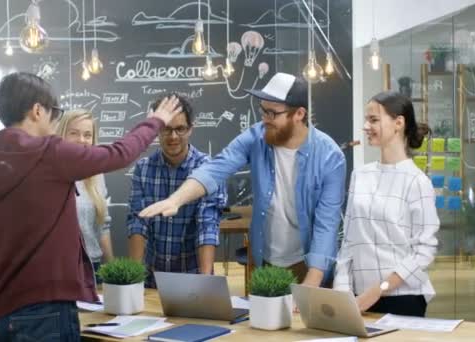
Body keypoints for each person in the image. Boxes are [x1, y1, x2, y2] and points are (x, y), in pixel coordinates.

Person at [0, 72, 181, 341]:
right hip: (46, 311)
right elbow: (120, 153)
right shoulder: (49, 153)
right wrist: (155, 121)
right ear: (37, 111)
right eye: (54, 113)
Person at [140, 73, 346, 286]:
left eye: (272, 113)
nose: (264, 119)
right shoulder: (257, 137)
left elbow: (326, 225)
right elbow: (216, 168)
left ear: (299, 114)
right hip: (265, 260)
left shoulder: (330, 156)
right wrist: (176, 200)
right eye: (262, 110)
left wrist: (310, 284)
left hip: (311, 264)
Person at [333, 91, 440, 317]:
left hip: (403, 299)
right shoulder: (360, 175)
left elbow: (424, 250)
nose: (366, 126)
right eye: (366, 120)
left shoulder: (417, 182)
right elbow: (349, 240)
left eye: (373, 120)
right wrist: (342, 289)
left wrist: (379, 289)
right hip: (358, 298)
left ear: (398, 123)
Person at [127, 94, 226, 288]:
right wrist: (133, 279)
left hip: (195, 277)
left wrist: (206, 283)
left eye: (180, 129)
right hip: (152, 277)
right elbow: (137, 223)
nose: (173, 137)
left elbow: (207, 224)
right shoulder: (143, 169)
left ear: (190, 129)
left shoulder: (208, 169)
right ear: (157, 131)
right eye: (166, 129)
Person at [56, 110, 114, 283]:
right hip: (58, 271)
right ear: (62, 135)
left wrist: (112, 270)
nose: (81, 140)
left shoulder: (96, 174)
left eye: (87, 135)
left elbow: (102, 226)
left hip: (92, 269)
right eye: (74, 133)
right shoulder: (49, 172)